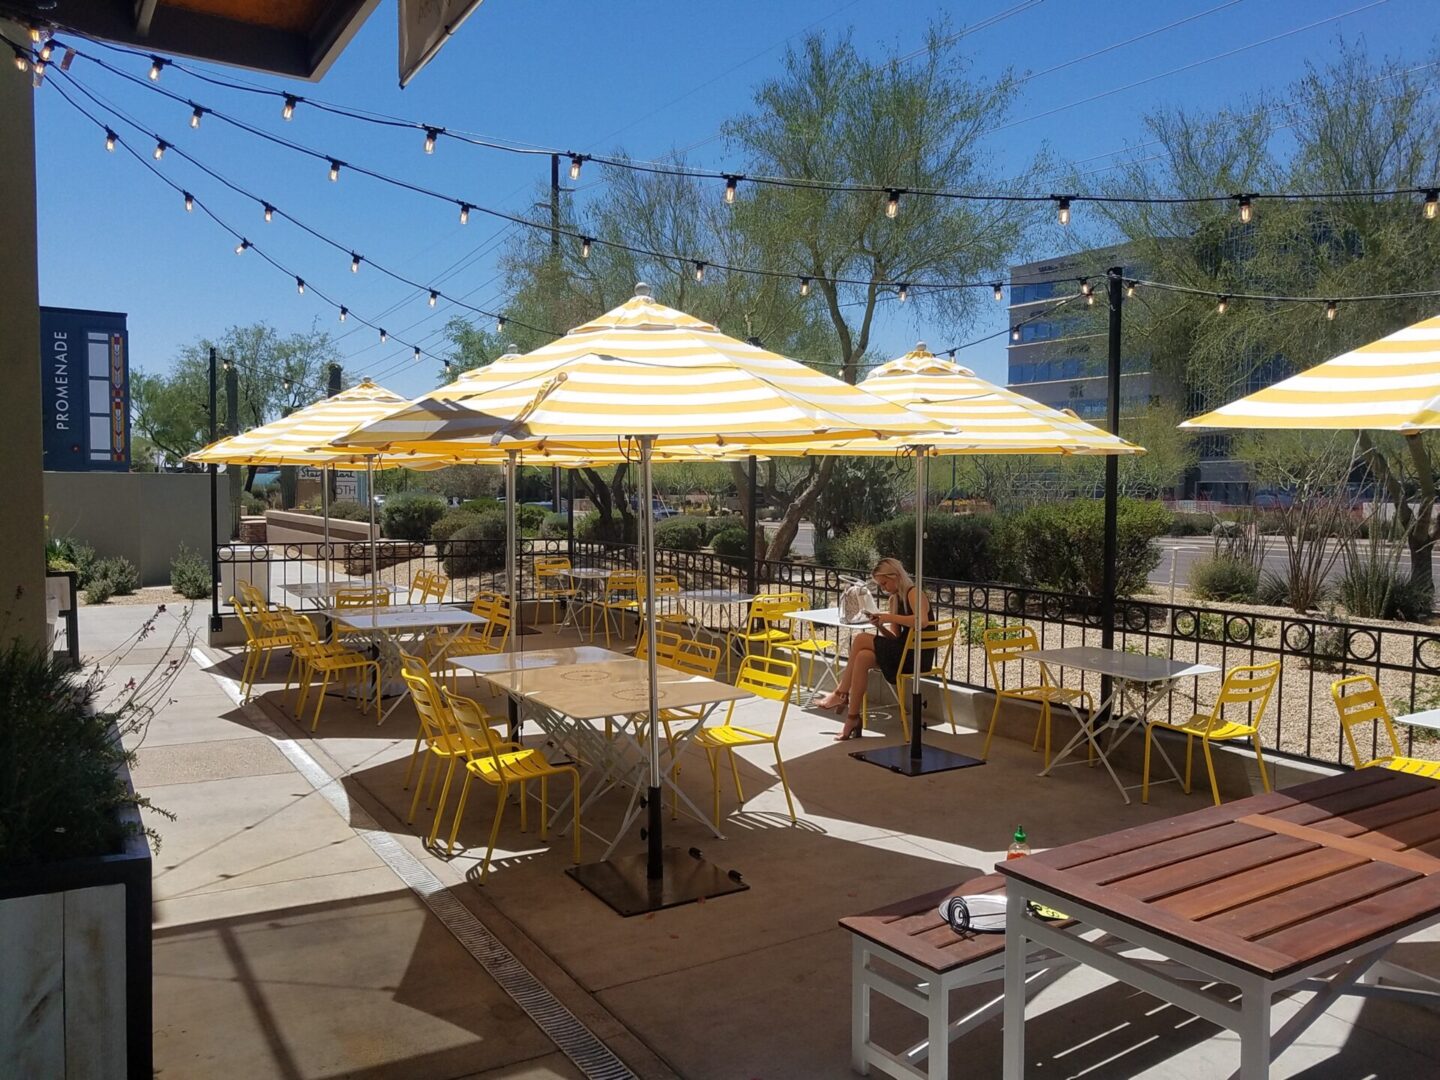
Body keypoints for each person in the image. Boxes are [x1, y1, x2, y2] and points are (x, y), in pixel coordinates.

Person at [815, 557, 933, 740]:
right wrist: (880, 625)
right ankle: (852, 719)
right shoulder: (895, 599)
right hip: (902, 652)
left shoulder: (913, 593)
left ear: (895, 576)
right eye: (880, 585)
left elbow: (922, 621)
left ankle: (840, 693)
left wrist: (888, 617)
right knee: (862, 657)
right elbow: (895, 638)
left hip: (916, 656)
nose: (883, 588)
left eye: (885, 583)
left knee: (861, 638)